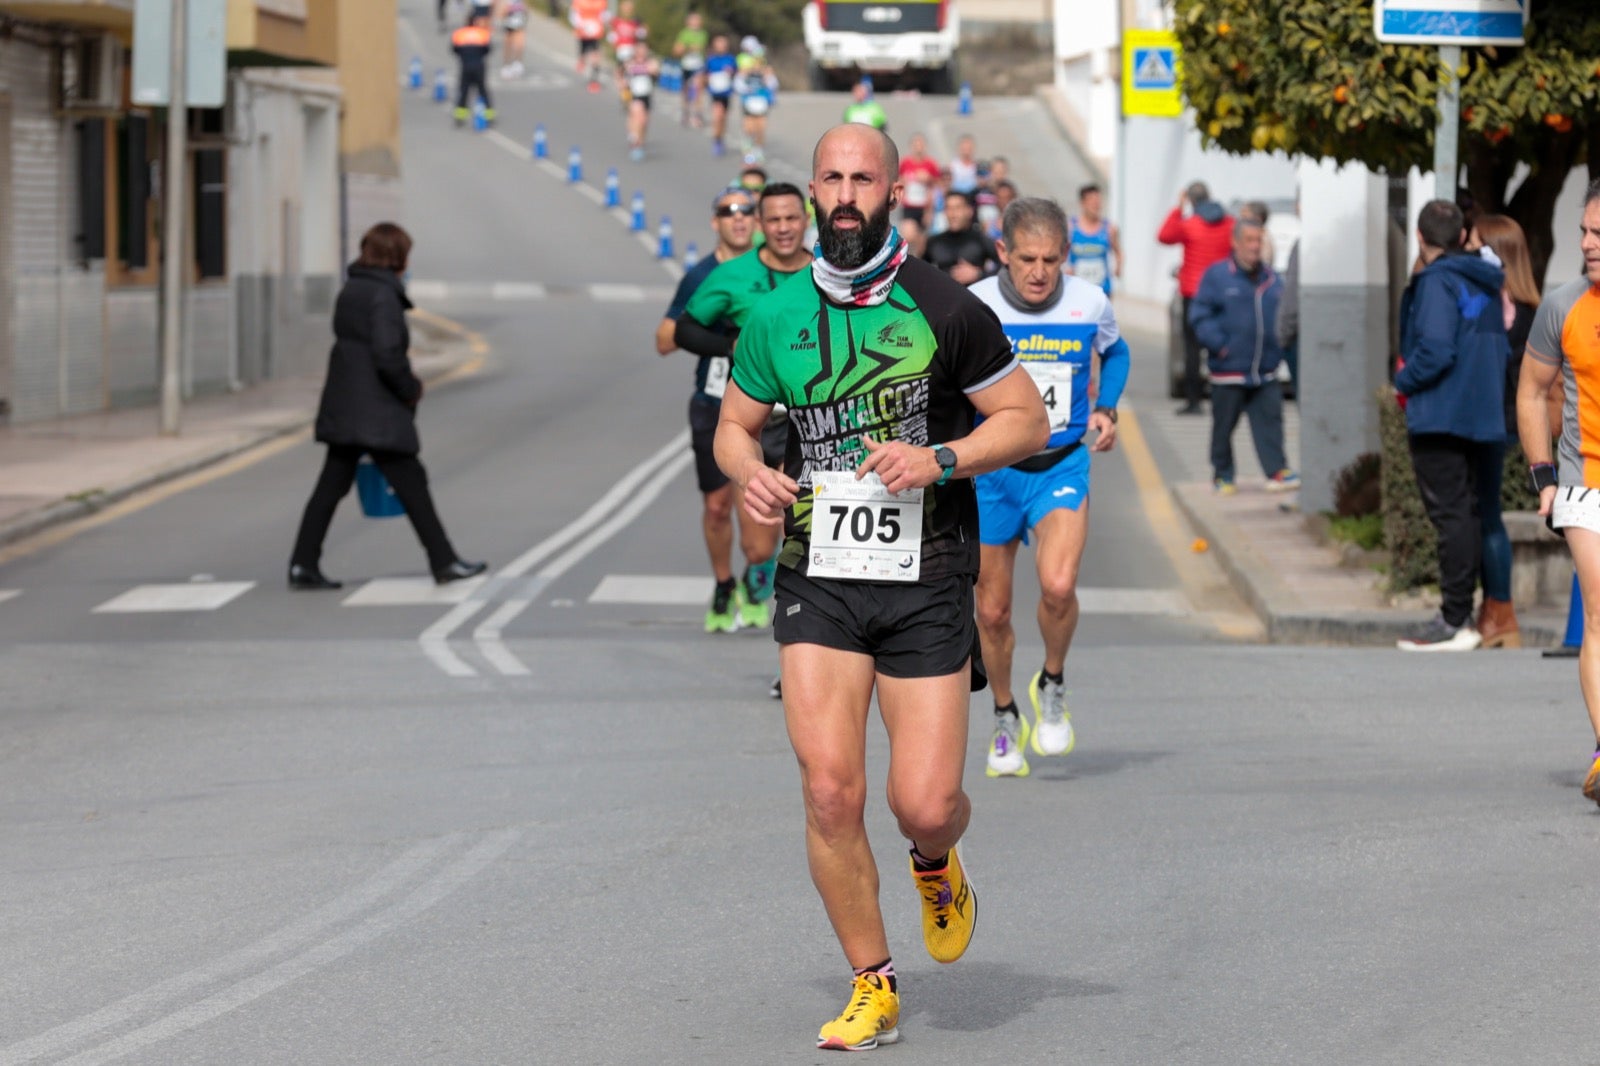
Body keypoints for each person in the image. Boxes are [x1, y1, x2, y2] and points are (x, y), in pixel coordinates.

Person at [713, 123, 1050, 1052]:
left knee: (925, 804)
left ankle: (937, 863)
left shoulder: (946, 307)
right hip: (817, 571)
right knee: (829, 791)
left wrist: (941, 455)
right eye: (834, 177)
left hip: (929, 573)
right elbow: (734, 428)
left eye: (867, 177)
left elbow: (1023, 420)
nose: (849, 193)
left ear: (896, 190)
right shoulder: (776, 318)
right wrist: (749, 469)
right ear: (813, 192)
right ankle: (874, 983)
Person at [969, 198, 1129, 778]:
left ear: (1066, 256)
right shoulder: (976, 306)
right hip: (991, 472)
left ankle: (1053, 682)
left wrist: (1106, 408)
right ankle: (1006, 713)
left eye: (1052, 260)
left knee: (1058, 586)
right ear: (1003, 253)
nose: (1039, 272)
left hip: (1061, 464)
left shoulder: (1089, 303)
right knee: (992, 610)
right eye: (1028, 259)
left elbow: (1116, 351)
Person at [289, 224, 486, 590]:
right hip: (375, 411)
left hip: (347, 404)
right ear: (397, 257)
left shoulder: (352, 289)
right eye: (406, 255)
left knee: (330, 488)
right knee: (412, 483)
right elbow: (387, 354)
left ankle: (302, 563)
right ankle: (444, 561)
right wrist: (410, 388)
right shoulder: (383, 297)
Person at [674, 182, 814, 635]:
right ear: (759, 225)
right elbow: (684, 331)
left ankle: (803, 619)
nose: (784, 228)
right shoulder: (733, 276)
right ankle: (744, 576)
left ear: (807, 220)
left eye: (792, 218)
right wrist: (731, 344)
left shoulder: (825, 274)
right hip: (749, 416)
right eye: (773, 220)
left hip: (805, 420)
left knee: (803, 524)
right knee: (754, 541)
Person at [1393, 199, 1509, 651]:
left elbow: (1436, 350)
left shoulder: (1437, 283)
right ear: (1462, 237)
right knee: (1474, 514)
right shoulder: (1486, 279)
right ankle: (1477, 612)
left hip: (1442, 414)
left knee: (1452, 516)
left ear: (1420, 238)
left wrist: (1403, 379)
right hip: (1483, 414)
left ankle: (1454, 618)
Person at [1518, 180, 1600, 803]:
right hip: (1584, 479)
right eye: (1584, 232)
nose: (1587, 245)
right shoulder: (1563, 305)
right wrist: (1544, 476)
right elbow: (1531, 391)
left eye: (1599, 234)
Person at [655, 188, 762, 631]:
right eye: (727, 212)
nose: (738, 219)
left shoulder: (772, 270)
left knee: (759, 509)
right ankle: (724, 584)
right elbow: (664, 339)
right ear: (715, 222)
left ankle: (756, 571)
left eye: (747, 211)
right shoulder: (702, 275)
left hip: (765, 408)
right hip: (712, 401)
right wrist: (726, 343)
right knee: (718, 506)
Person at [1464, 213, 1541, 649]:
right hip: (1497, 425)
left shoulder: (1510, 311)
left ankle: (1500, 611)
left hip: (1495, 426)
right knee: (1481, 515)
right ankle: (1494, 610)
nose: (1471, 252)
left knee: (1486, 516)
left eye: (1477, 245)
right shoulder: (1526, 310)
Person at [1188, 219, 1299, 495]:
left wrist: (1279, 349)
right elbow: (1200, 315)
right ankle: (1222, 474)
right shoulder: (1217, 277)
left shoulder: (1272, 279)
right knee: (1224, 427)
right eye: (1249, 240)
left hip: (1265, 371)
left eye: (1258, 240)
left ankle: (1277, 469)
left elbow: (1284, 313)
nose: (1254, 246)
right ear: (1235, 243)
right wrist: (1220, 346)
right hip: (1229, 371)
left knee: (1271, 423)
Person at [1159, 181, 1234, 414]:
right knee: (1220, 345)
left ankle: (1194, 402)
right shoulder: (1230, 224)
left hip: (1193, 293)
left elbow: (1164, 236)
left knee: (1192, 349)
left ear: (1190, 200)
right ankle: (1223, 397)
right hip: (1222, 294)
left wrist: (1178, 207)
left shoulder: (1189, 225)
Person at [924, 190, 999, 284]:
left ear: (969, 211)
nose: (953, 214)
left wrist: (979, 274)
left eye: (957, 208)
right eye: (948, 208)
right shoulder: (934, 242)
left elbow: (1005, 267)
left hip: (972, 295)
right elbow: (920, 273)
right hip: (943, 295)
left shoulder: (980, 239)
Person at [1068, 183, 1120, 296]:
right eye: (1091, 201)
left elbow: (1118, 252)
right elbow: (1059, 253)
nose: (1096, 204)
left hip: (1102, 290)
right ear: (1082, 203)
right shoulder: (1071, 227)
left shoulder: (1109, 229)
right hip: (1077, 290)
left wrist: (1118, 268)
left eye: (1098, 201)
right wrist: (1065, 269)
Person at [450, 12, 496, 128]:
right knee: (482, 90)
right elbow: (487, 50)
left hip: (465, 65)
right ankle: (489, 115)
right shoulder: (483, 33)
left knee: (464, 91)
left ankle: (460, 116)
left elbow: (455, 49)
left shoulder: (459, 34)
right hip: (479, 65)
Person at [734, 38, 776, 164]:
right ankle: (748, 146)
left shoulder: (766, 71)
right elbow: (738, 85)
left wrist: (767, 77)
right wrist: (746, 81)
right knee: (749, 127)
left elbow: (773, 85)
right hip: (748, 101)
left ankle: (758, 150)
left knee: (761, 127)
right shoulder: (745, 71)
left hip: (762, 102)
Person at [622, 42, 659, 161]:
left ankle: (640, 142)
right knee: (638, 116)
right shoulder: (630, 63)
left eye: (644, 49)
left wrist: (652, 70)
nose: (642, 52)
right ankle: (635, 143)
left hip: (646, 95)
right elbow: (620, 74)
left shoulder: (651, 62)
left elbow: (656, 73)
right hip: (634, 95)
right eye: (640, 49)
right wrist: (622, 85)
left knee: (644, 122)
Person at [896, 133, 942, 228]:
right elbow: (897, 181)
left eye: (921, 144)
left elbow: (939, 185)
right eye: (916, 145)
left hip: (925, 207)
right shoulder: (905, 163)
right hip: (909, 206)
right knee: (908, 232)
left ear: (925, 146)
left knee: (923, 237)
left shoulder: (931, 164)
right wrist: (903, 182)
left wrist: (929, 179)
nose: (918, 148)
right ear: (911, 146)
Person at [704, 34, 738, 157]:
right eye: (718, 43)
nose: (721, 46)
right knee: (717, 115)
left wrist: (731, 73)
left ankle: (721, 137)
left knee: (723, 117)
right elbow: (704, 74)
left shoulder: (731, 59)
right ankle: (716, 139)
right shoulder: (711, 60)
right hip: (715, 93)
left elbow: (737, 74)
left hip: (726, 93)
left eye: (723, 43)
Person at [673, 10, 708, 127]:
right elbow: (677, 50)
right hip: (686, 65)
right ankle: (685, 111)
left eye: (698, 20)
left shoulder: (703, 34)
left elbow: (703, 50)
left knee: (698, 89)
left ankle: (697, 114)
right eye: (693, 20)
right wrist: (689, 48)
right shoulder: (684, 34)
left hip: (698, 65)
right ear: (688, 22)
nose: (696, 23)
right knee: (686, 91)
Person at [569, 0, 608, 90]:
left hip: (595, 32)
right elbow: (574, 15)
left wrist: (602, 22)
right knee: (583, 51)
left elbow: (603, 14)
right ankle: (581, 60)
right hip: (583, 31)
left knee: (595, 56)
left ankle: (594, 80)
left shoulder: (601, 2)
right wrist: (581, 24)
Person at [497, 0, 528, 78]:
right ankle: (506, 66)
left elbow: (526, 10)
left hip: (519, 22)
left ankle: (517, 64)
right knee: (508, 45)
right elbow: (501, 13)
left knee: (520, 44)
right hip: (509, 23)